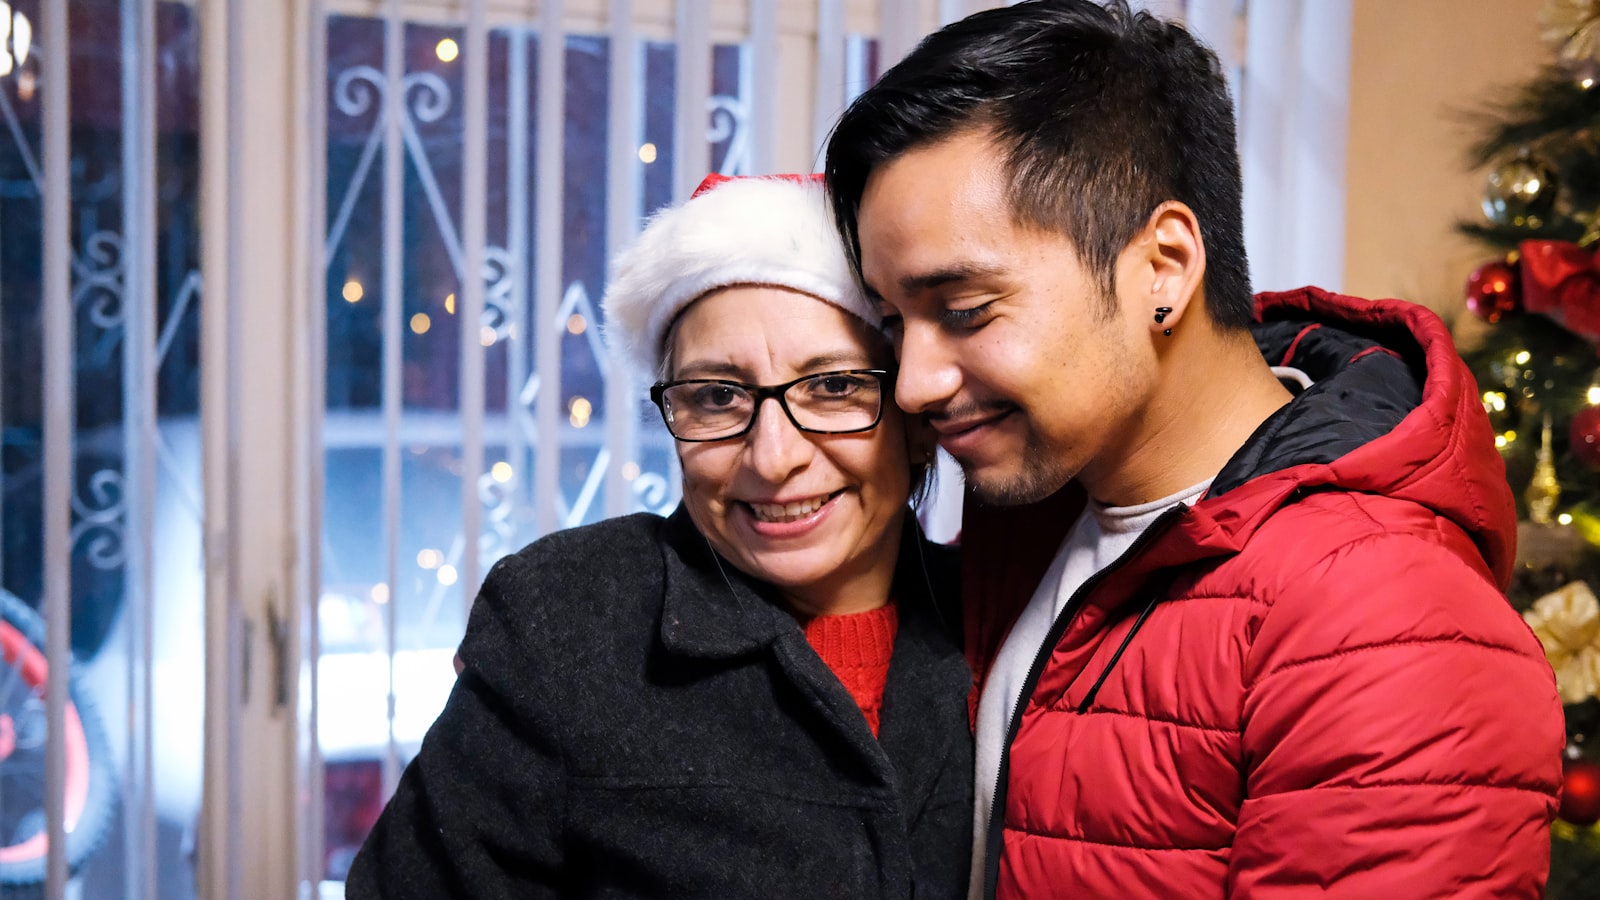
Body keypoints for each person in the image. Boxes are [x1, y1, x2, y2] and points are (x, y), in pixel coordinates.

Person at [823, 2, 1565, 897]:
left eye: (967, 310)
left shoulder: (1381, 622)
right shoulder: (1036, 508)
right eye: (898, 322)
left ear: (1163, 268)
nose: (914, 383)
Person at [344, 173, 972, 898]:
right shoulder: (569, 622)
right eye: (715, 396)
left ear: (916, 416)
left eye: (832, 387)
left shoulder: (1006, 618)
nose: (773, 457)